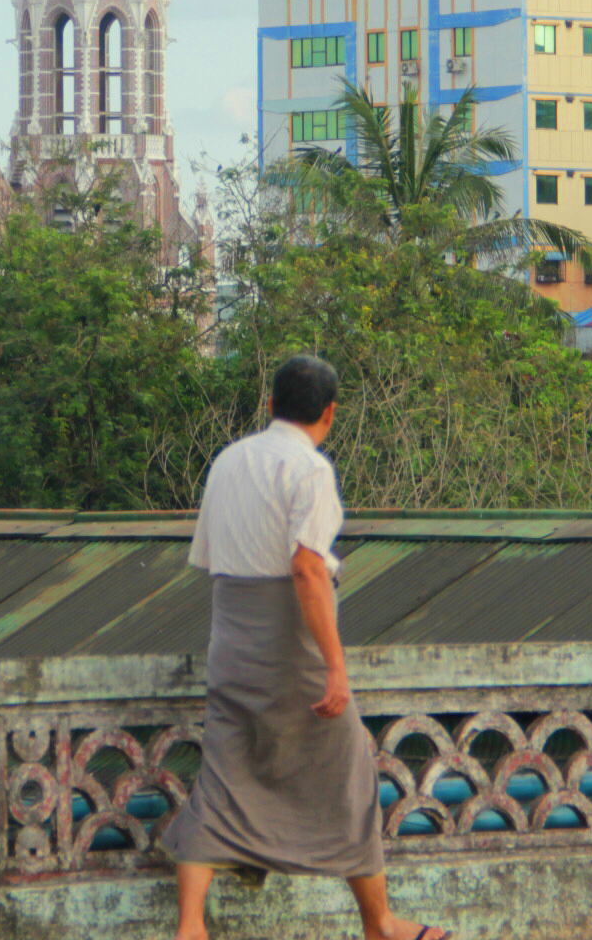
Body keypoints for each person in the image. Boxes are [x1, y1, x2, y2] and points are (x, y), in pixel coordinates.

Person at [160, 353, 448, 940]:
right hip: (291, 646)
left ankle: (191, 926)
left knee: (224, 775)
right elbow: (307, 569)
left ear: (271, 405)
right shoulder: (310, 470)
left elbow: (210, 560)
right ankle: (380, 922)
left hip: (230, 638)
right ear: (330, 413)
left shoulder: (228, 460)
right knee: (349, 772)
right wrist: (335, 669)